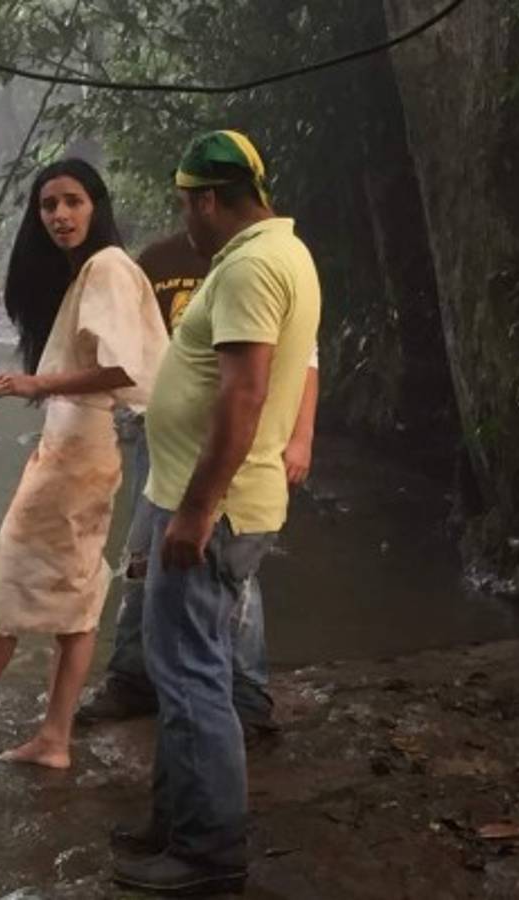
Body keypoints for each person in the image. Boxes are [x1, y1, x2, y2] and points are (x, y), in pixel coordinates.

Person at [111, 131, 320, 895]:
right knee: (179, 670)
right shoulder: (279, 252)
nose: (184, 224)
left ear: (205, 199)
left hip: (215, 509)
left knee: (195, 677)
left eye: (185, 206)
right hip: (211, 499)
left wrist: (195, 512)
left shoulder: (252, 266)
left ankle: (206, 854)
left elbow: (243, 395)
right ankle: (171, 823)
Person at [0, 159, 168, 770]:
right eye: (48, 205)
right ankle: (54, 739)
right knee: (78, 591)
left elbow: (127, 370)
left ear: (97, 206)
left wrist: (39, 381)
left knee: (4, 589)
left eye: (73, 202)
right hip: (84, 447)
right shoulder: (92, 270)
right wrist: (45, 390)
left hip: (78, 451)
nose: (59, 215)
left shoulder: (108, 265)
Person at [76, 230, 319, 740]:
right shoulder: (157, 261)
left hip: (232, 441)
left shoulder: (256, 265)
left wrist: (301, 436)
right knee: (143, 555)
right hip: (155, 434)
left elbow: (303, 359)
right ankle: (134, 676)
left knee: (227, 563)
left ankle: (246, 695)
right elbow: (130, 340)